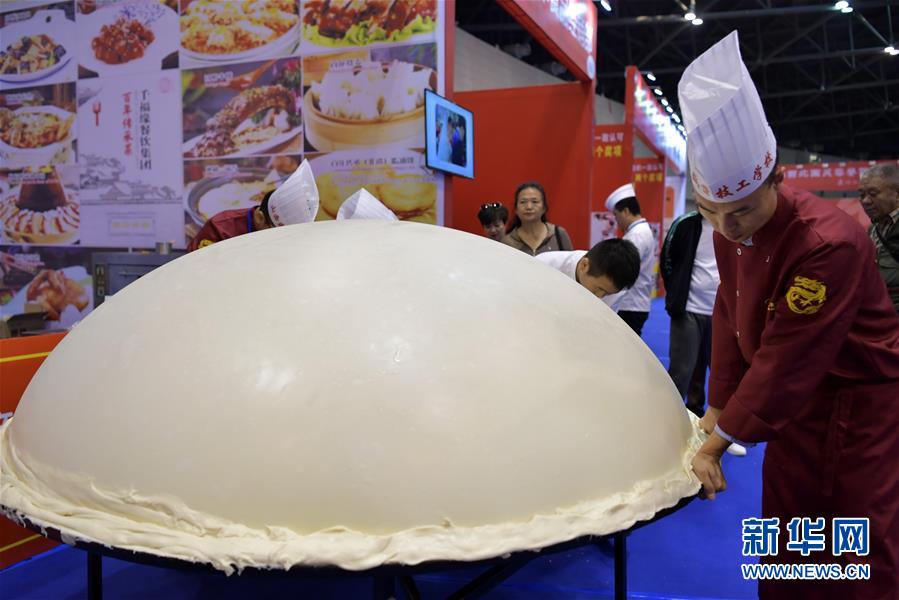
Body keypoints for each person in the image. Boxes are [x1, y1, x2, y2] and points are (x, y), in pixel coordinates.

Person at [681, 31, 899, 599]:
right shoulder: (730, 230)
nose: (727, 227)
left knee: (853, 537)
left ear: (778, 178)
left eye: (741, 210)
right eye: (710, 212)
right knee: (785, 525)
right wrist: (718, 404)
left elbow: (788, 356)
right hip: (793, 406)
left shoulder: (828, 242)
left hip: (853, 404)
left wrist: (716, 441)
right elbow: (731, 312)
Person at [660, 210, 719, 417]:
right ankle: (671, 417)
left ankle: (700, 412)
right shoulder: (685, 224)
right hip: (688, 309)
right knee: (681, 370)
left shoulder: (735, 224)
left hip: (722, 313)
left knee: (721, 372)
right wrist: (676, 293)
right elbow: (667, 259)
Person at [188, 159, 319, 251]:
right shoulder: (221, 228)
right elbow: (194, 265)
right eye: (275, 233)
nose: (279, 241)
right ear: (260, 217)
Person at [605, 183, 655, 335]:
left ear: (626, 211)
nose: (616, 220)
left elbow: (622, 270)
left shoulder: (636, 235)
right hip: (634, 303)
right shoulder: (640, 231)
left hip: (630, 304)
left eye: (616, 215)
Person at [536, 238, 640, 301]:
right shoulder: (543, 265)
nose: (599, 297)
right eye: (599, 289)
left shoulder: (616, 291)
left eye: (608, 294)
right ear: (584, 265)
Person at [858, 163, 899, 312]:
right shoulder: (873, 228)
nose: (865, 201)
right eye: (862, 195)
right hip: (882, 311)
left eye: (873, 194)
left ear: (897, 194)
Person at [502, 182, 573, 255]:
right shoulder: (507, 242)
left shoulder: (558, 234)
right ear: (516, 209)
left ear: (544, 208)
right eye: (523, 202)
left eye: (535, 202)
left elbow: (570, 261)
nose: (529, 207)